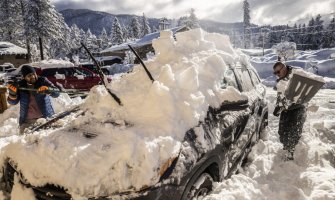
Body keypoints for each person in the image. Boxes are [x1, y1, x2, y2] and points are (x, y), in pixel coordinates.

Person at [7, 65, 60, 134]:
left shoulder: (43, 81)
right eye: (29, 76)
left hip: (45, 119)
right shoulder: (21, 85)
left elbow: (57, 93)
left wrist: (48, 90)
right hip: (28, 121)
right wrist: (12, 94)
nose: (32, 77)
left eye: (33, 74)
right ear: (24, 77)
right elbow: (13, 102)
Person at [272, 61, 307, 160]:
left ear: (283, 69)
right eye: (275, 73)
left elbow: (307, 85)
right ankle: (287, 147)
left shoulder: (297, 73)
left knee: (293, 132)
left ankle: (291, 153)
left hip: (298, 108)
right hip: (286, 108)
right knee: (282, 131)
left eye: (277, 72)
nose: (276, 75)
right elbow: (280, 95)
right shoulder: (281, 79)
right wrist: (277, 108)